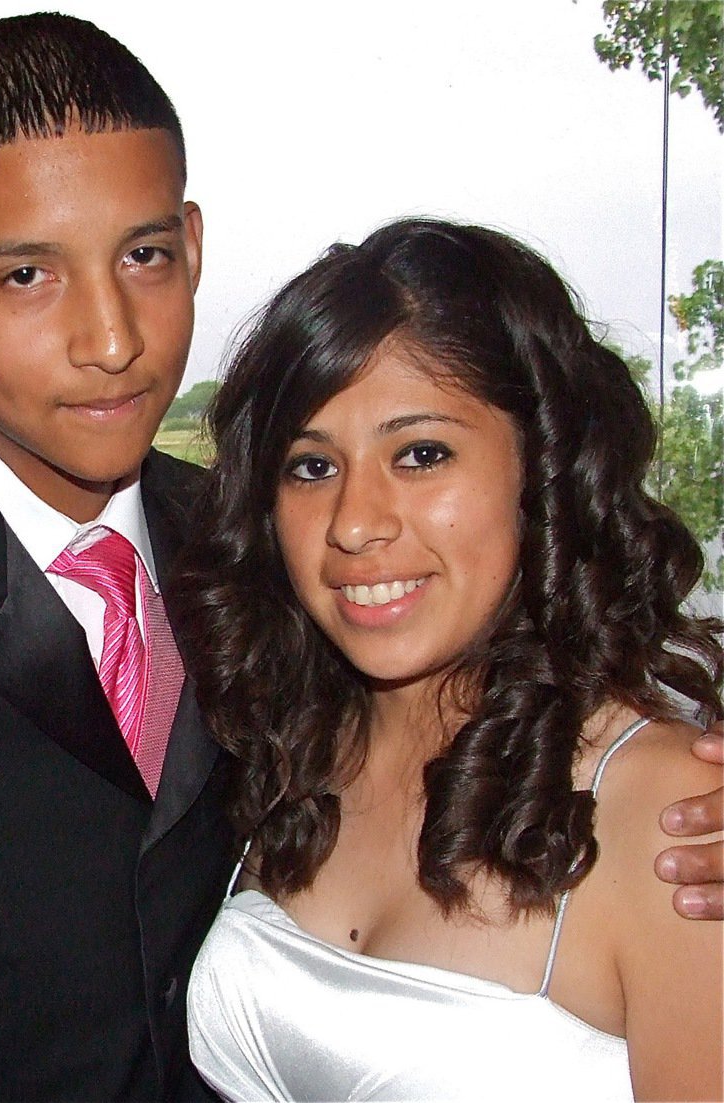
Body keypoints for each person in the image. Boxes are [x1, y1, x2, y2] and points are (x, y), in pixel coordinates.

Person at [0, 16, 722, 1102]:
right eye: (27, 275)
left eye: (145, 256)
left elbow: (551, 667)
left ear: (193, 245)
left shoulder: (266, 555)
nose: (111, 336)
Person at [179, 218, 724, 1101]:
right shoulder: (278, 746)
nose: (356, 521)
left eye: (421, 454)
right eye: (311, 467)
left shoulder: (673, 821)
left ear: (539, 471)